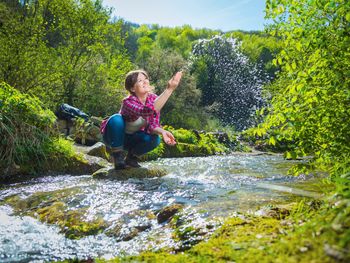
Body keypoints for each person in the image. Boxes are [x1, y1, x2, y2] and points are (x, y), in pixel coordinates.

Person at [100, 69, 182, 169]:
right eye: (140, 81)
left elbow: (153, 125)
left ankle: (131, 158)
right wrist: (169, 89)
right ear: (132, 88)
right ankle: (118, 157)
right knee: (116, 119)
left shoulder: (154, 99)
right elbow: (146, 111)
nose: (145, 82)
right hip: (113, 137)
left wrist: (163, 132)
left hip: (132, 139)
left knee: (155, 139)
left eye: (146, 79)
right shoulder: (128, 101)